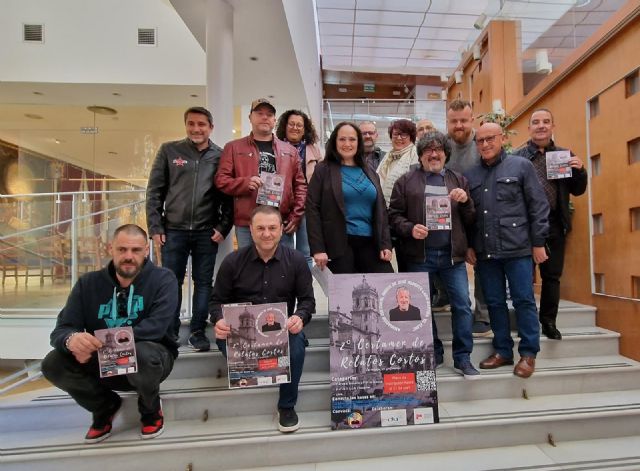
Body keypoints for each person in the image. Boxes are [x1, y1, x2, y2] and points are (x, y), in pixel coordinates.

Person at [41, 224, 178, 443]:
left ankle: (150, 409)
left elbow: (157, 327)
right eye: (122, 249)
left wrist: (100, 343)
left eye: (135, 250)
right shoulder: (88, 284)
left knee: (141, 353)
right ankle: (104, 406)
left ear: (146, 251)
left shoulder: (163, 280)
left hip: (150, 361)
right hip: (101, 365)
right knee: (52, 363)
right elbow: (62, 329)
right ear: (110, 249)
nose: (128, 256)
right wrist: (72, 340)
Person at [210, 205, 315, 433]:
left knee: (296, 346)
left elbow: (308, 301)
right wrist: (218, 319)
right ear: (251, 229)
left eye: (272, 228)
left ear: (280, 230)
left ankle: (286, 406)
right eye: (260, 228)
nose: (266, 234)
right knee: (227, 343)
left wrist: (300, 316)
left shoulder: (296, 261)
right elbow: (216, 301)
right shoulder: (232, 262)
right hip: (241, 334)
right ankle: (260, 369)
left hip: (280, 331)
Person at [389, 130, 478, 379]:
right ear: (420, 155)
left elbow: (470, 219)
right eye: (428, 150)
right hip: (420, 256)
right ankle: (434, 352)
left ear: (446, 154)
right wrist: (410, 228)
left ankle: (463, 358)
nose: (434, 154)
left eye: (438, 150)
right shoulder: (406, 181)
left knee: (462, 305)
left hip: (453, 257)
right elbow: (394, 216)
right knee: (423, 308)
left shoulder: (458, 180)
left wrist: (466, 201)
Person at [465, 123, 550, 379]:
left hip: (518, 248)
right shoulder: (471, 175)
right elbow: (469, 216)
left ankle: (528, 353)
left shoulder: (521, 166)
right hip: (486, 251)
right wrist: (469, 245)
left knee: (523, 300)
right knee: (494, 302)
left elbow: (539, 205)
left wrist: (538, 242)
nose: (485, 144)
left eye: (490, 139)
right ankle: (503, 350)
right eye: (480, 141)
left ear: (501, 138)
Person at [146, 106, 233, 351]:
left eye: (201, 124)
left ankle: (197, 331)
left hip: (207, 231)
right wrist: (155, 226)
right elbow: (154, 191)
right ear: (186, 125)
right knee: (170, 282)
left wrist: (223, 227)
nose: (196, 128)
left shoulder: (220, 155)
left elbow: (228, 196)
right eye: (191, 124)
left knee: (204, 283)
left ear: (210, 127)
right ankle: (170, 331)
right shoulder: (169, 151)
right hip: (173, 230)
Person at [514, 109, 587, 340]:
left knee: (552, 276)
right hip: (524, 226)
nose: (541, 126)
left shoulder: (564, 155)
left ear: (553, 126)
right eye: (536, 122)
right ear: (529, 128)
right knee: (523, 276)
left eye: (546, 122)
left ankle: (548, 321)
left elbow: (578, 189)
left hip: (555, 223)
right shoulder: (517, 158)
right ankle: (525, 321)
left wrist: (580, 170)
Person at [215, 98, 307, 249]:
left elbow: (300, 186)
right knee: (249, 269)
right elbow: (221, 180)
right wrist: (244, 183)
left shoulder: (290, 151)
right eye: (259, 113)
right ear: (250, 117)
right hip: (247, 224)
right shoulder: (233, 147)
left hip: (280, 222)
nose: (265, 117)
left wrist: (295, 215)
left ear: (274, 120)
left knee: (282, 269)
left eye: (269, 114)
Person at [306, 121, 393, 274]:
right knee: (345, 295)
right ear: (334, 142)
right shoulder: (322, 170)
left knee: (384, 289)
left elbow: (381, 211)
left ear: (358, 142)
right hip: (338, 243)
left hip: (370, 243)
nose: (347, 144)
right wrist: (318, 249)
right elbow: (312, 209)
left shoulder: (370, 172)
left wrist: (385, 244)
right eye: (342, 139)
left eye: (352, 139)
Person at [445, 99, 491, 336]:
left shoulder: (482, 143)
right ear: (448, 122)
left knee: (481, 262)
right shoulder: (443, 145)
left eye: (464, 120)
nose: (459, 125)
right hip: (450, 216)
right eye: (454, 121)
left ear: (472, 120)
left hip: (480, 213)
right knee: (444, 260)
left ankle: (482, 314)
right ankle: (442, 296)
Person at [275, 109, 323, 267]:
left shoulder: (314, 150)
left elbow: (320, 178)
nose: (295, 128)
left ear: (305, 129)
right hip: (282, 206)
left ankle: (304, 290)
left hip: (308, 206)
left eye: (299, 125)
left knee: (305, 252)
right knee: (284, 250)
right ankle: (287, 287)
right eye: (291, 124)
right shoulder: (275, 147)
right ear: (285, 126)